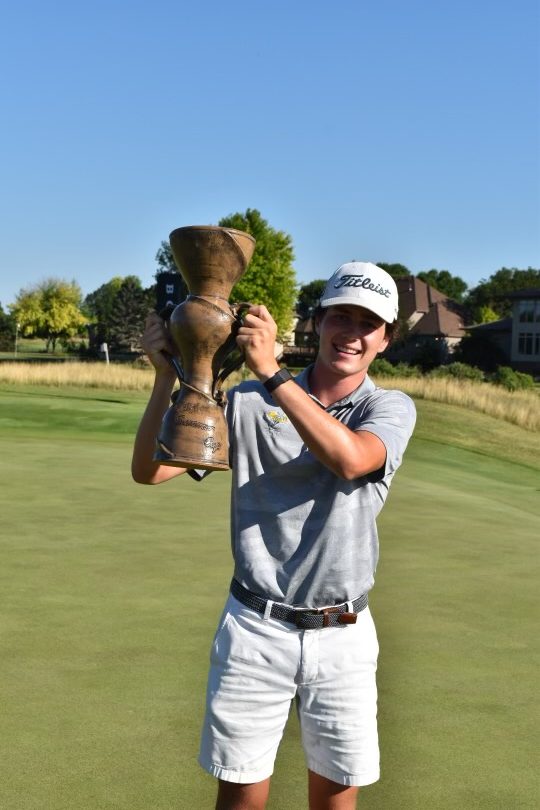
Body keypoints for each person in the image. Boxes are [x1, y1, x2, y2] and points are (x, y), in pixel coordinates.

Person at [132, 261, 416, 810]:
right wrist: (169, 373)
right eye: (341, 317)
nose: (351, 333)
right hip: (254, 630)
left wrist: (273, 375)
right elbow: (152, 469)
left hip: (344, 632)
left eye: (367, 323)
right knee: (240, 800)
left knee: (334, 801)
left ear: (385, 338)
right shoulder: (246, 402)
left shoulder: (388, 408)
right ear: (318, 322)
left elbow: (351, 459)